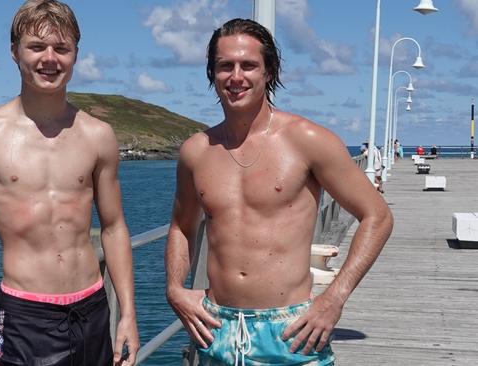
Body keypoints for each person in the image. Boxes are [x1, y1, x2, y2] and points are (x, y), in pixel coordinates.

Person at [165, 18, 393, 366]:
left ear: (268, 72)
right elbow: (182, 226)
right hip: (215, 329)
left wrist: (334, 298)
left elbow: (377, 216)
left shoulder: (307, 140)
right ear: (212, 73)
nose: (236, 76)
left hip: (291, 332)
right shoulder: (196, 151)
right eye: (225, 66)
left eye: (249, 65)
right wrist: (175, 289)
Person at [0, 1, 139, 365]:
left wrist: (128, 314)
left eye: (61, 48)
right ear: (14, 52)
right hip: (24, 317)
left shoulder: (98, 135)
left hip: (93, 308)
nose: (49, 58)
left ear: (76, 54)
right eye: (36, 47)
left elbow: (114, 226)